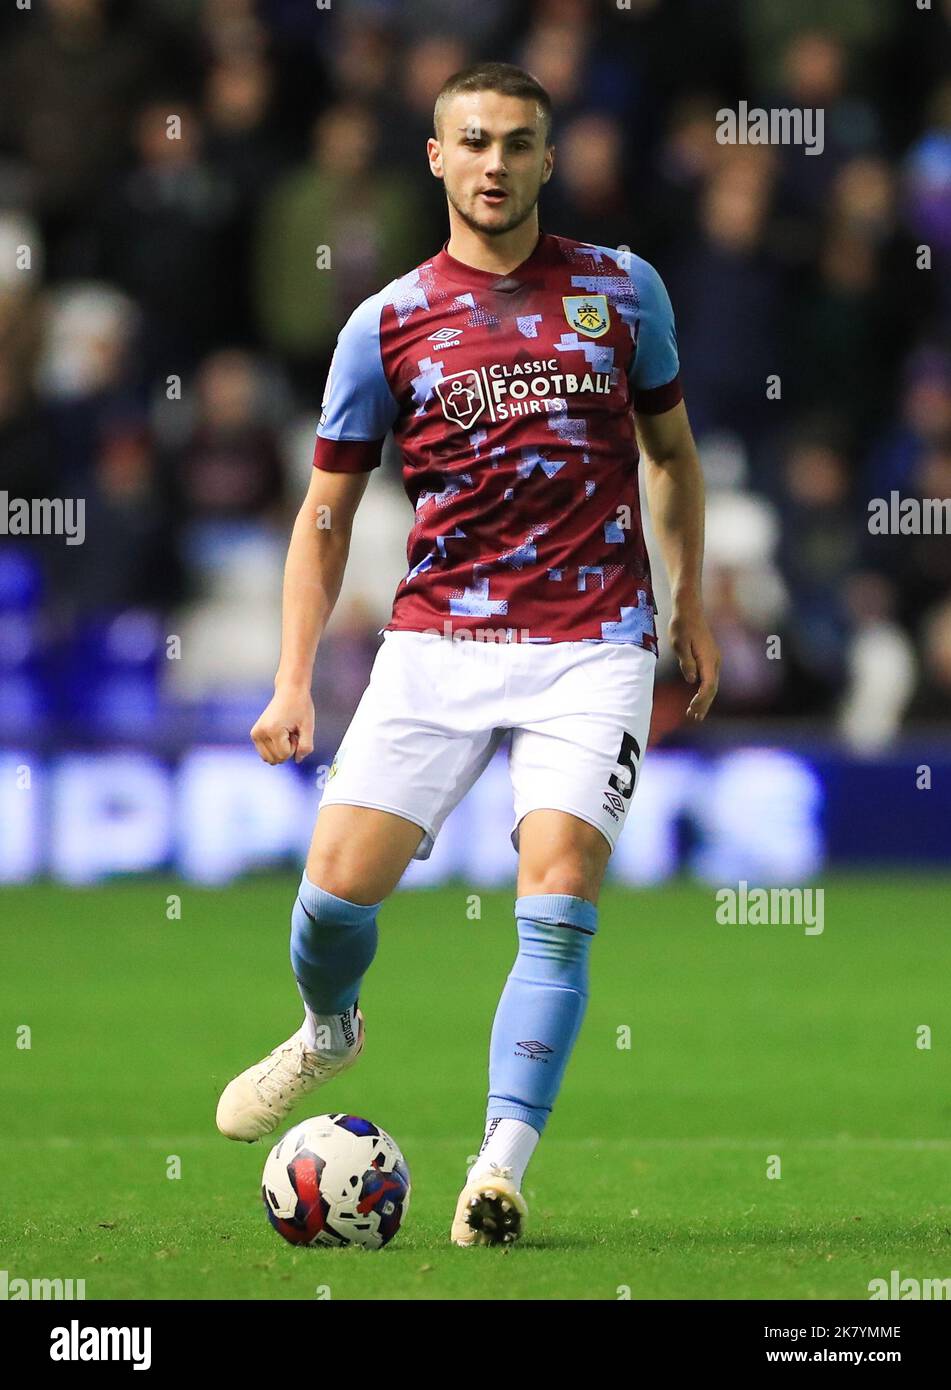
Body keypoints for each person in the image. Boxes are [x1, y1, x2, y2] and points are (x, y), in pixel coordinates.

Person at [215, 61, 720, 1247]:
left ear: (552, 158)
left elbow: (674, 456)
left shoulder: (622, 290)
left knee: (558, 887)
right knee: (333, 896)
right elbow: (325, 516)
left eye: (520, 143)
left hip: (595, 640)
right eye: (475, 142)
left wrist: (687, 603)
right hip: (440, 638)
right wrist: (294, 677)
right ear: (437, 159)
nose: (497, 163)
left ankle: (499, 1164)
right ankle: (330, 1026)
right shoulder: (384, 323)